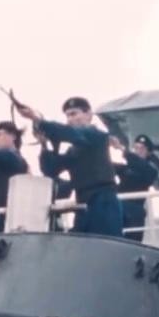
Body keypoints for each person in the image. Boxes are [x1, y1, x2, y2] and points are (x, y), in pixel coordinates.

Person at [14, 96, 123, 237]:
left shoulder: (98, 135)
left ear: (89, 114)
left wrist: (35, 118)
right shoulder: (74, 149)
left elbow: (67, 132)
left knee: (106, 241)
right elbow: (51, 170)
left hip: (102, 200)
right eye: (68, 116)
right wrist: (45, 145)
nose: (70, 119)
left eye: (74, 114)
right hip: (83, 200)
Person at [113, 133, 159, 242]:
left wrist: (121, 148)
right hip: (119, 209)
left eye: (142, 148)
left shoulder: (150, 171)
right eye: (136, 148)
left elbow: (140, 165)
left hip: (135, 211)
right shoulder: (125, 168)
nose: (138, 151)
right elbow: (107, 167)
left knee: (133, 242)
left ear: (149, 152)